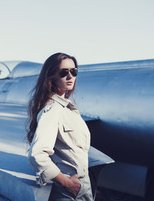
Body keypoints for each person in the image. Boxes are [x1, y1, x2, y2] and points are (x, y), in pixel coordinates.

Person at [27, 53, 93, 201]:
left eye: (73, 71)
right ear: (51, 76)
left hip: (80, 189)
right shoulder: (53, 110)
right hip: (68, 192)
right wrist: (67, 183)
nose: (70, 76)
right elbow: (37, 155)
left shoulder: (66, 109)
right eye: (64, 73)